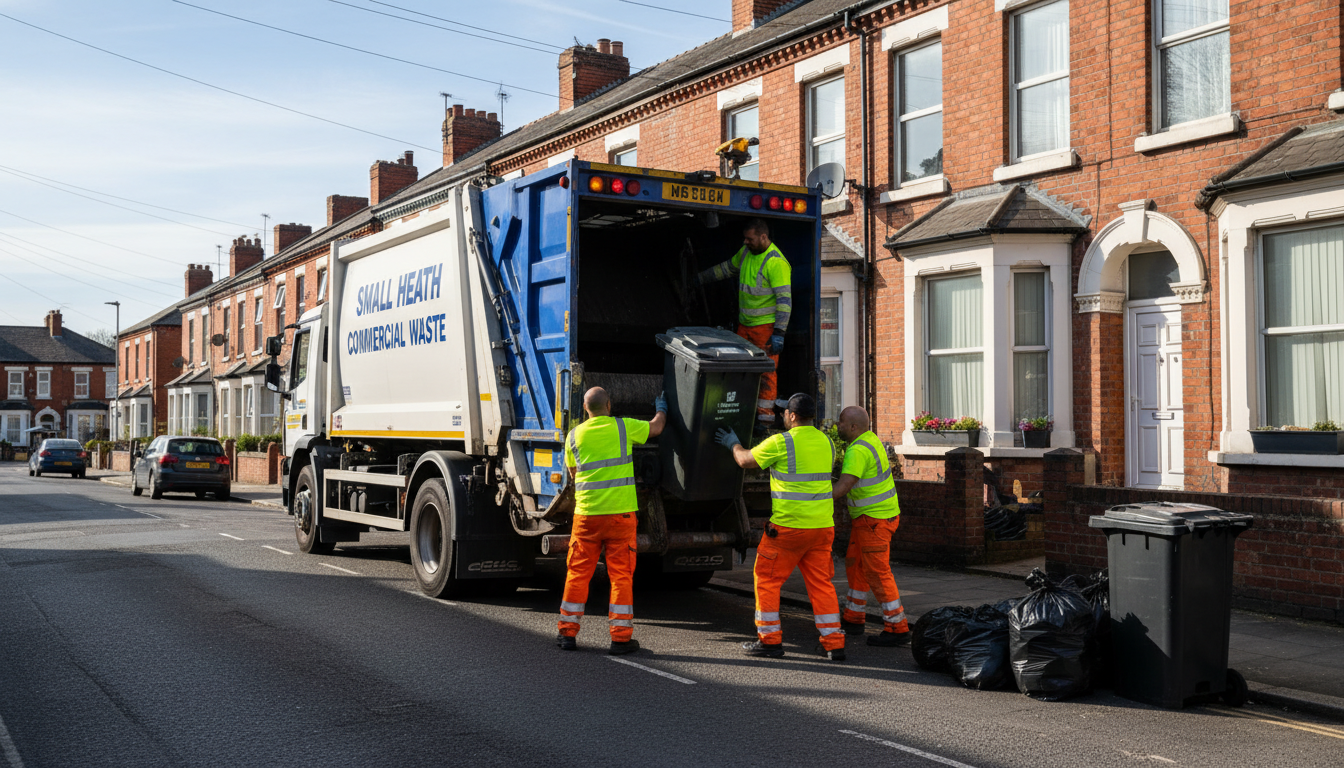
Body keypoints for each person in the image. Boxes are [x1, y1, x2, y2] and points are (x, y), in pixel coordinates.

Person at [716, 393, 845, 661]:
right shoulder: (827, 442)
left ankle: (770, 641)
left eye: (785, 412)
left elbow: (745, 460)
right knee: (821, 584)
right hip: (821, 527)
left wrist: (733, 444)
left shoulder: (782, 442)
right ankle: (834, 644)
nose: (782, 415)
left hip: (788, 528)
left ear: (793, 416)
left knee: (766, 579)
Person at [557, 387, 667, 655]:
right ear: (609, 405)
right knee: (621, 576)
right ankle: (620, 639)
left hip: (586, 517)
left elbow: (573, 475)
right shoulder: (623, 427)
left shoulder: (573, 436)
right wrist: (662, 407)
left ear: (585, 409)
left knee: (578, 573)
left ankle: (567, 635)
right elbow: (656, 428)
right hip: (620, 516)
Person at [698, 218, 791, 432]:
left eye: (750, 239)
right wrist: (701, 278)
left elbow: (785, 302)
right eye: (745, 239)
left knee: (766, 372)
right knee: (739, 370)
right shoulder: (746, 252)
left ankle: (764, 422)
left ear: (763, 237)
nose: (745, 242)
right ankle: (739, 413)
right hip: (745, 326)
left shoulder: (776, 263)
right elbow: (727, 269)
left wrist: (779, 333)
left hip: (766, 330)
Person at [832, 406, 910, 646]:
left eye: (841, 422)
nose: (838, 426)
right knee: (856, 565)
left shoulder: (857, 451)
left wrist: (814, 500)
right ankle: (854, 618)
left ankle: (897, 628)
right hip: (872, 518)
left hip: (874, 520)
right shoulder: (871, 440)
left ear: (853, 427)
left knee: (878, 572)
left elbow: (844, 486)